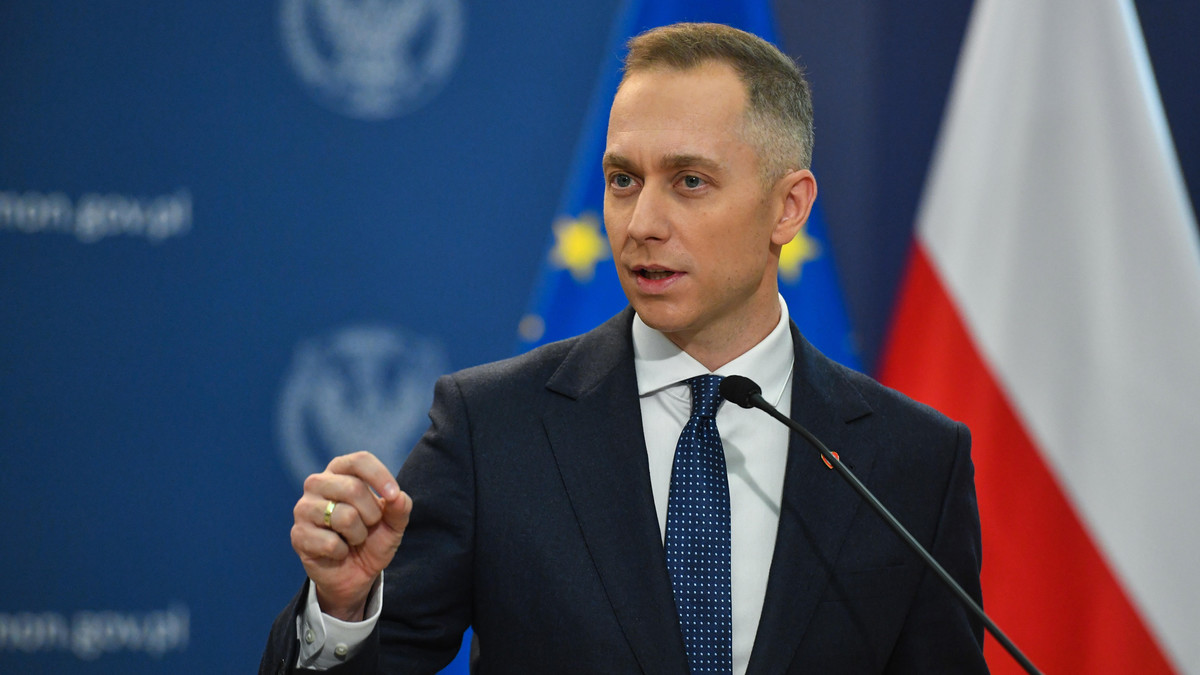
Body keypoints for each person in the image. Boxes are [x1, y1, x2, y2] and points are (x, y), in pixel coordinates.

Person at [261, 22, 987, 674]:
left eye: (690, 181)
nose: (641, 223)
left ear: (787, 206)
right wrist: (344, 613)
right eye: (623, 180)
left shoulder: (910, 462)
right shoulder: (493, 429)